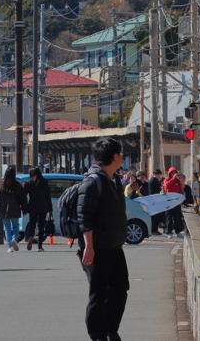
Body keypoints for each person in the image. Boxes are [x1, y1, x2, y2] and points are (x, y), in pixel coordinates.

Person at [77, 137, 129, 341]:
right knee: (98, 294)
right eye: (121, 153)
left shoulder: (114, 181)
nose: (122, 157)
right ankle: (98, 335)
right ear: (115, 156)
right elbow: (84, 218)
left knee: (120, 289)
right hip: (96, 248)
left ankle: (111, 329)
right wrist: (88, 247)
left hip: (115, 247)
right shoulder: (91, 183)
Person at [0, 166, 27, 253]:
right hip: (15, 210)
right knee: (15, 226)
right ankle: (15, 239)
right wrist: (25, 210)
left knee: (7, 228)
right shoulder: (18, 186)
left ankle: (10, 247)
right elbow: (23, 199)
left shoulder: (0, 186)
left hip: (3, 210)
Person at [23, 167, 53, 251]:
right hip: (43, 206)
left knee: (32, 224)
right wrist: (50, 209)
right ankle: (39, 245)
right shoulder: (45, 182)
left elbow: (24, 194)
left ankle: (31, 236)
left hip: (32, 206)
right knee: (41, 226)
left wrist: (24, 205)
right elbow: (48, 197)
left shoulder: (30, 182)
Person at [161, 167, 184, 236]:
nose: (174, 174)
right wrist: (173, 178)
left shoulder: (178, 181)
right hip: (168, 201)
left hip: (176, 201)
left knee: (177, 217)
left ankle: (178, 231)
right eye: (172, 173)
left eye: (175, 173)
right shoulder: (166, 180)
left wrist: (180, 200)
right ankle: (169, 231)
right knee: (169, 217)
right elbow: (167, 187)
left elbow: (180, 190)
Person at [148, 169, 164, 236]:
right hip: (153, 200)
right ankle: (153, 230)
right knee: (154, 217)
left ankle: (156, 230)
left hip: (157, 200)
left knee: (157, 216)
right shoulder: (152, 181)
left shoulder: (156, 181)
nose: (159, 176)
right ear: (154, 174)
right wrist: (159, 191)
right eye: (158, 174)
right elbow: (151, 192)